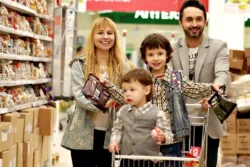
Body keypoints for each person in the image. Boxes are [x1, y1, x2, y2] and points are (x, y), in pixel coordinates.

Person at [107, 33, 223, 165]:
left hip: (172, 138)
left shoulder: (175, 78)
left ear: (167, 55)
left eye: (160, 53)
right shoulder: (142, 80)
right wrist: (110, 88)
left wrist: (211, 88)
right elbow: (125, 97)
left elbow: (193, 88)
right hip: (146, 139)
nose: (156, 58)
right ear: (145, 58)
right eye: (151, 55)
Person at [61, 17, 130, 167]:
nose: (105, 37)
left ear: (115, 37)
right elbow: (79, 95)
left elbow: (129, 94)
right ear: (92, 36)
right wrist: (105, 104)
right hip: (83, 132)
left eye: (110, 33)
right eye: (100, 32)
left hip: (112, 134)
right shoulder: (80, 65)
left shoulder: (122, 67)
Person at [168, 0, 230, 166]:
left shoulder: (219, 47)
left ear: (205, 21)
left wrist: (212, 96)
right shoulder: (170, 50)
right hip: (179, 122)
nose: (194, 24)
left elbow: (222, 74)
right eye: (189, 19)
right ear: (181, 22)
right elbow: (169, 81)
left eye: (198, 19)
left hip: (208, 119)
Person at [109, 68, 173, 167]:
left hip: (149, 161)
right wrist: (114, 141)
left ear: (146, 90)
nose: (127, 94)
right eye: (124, 90)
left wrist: (163, 137)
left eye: (132, 89)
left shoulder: (157, 113)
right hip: (127, 160)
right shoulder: (123, 111)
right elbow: (117, 129)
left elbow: (169, 135)